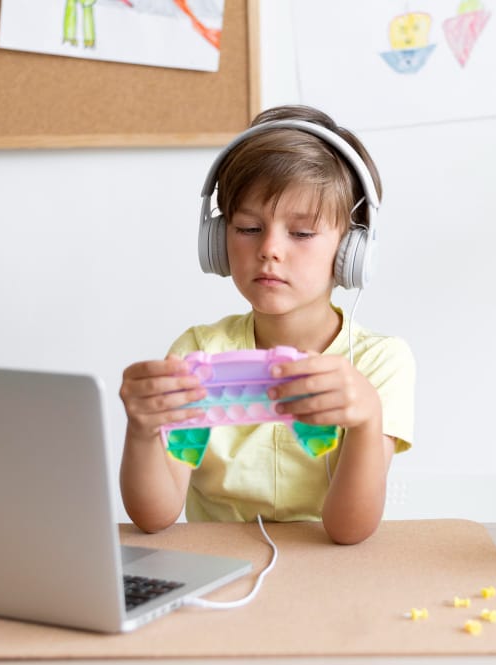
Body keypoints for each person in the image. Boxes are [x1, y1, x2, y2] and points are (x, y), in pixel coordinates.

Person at [118, 105, 415, 545]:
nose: (270, 249)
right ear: (217, 241)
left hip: (329, 575)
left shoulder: (378, 362)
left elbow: (348, 531)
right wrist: (141, 431)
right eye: (248, 227)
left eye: (302, 233)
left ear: (353, 249)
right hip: (217, 568)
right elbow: (155, 517)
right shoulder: (199, 351)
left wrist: (368, 419)